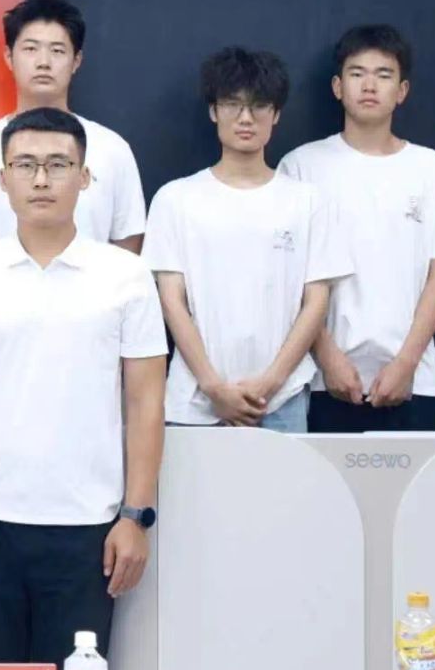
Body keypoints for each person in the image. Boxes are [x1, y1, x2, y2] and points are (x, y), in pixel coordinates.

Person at [0, 108, 166, 669]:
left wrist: (135, 515)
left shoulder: (125, 274)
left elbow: (145, 402)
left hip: (88, 523)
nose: (41, 179)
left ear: (84, 177)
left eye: (58, 165)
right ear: (2, 178)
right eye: (25, 165)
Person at [145, 49, 349, 432]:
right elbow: (172, 301)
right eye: (232, 105)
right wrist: (213, 386)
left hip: (283, 399)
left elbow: (316, 302)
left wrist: (269, 385)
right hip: (196, 401)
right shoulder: (175, 199)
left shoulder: (307, 201)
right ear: (213, 111)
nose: (245, 118)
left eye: (258, 106)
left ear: (276, 114)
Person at [279, 26, 435, 433]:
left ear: (402, 90)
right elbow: (288, 277)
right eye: (357, 73)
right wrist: (328, 358)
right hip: (321, 381)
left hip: (413, 380)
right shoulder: (301, 166)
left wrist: (405, 364)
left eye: (383, 75)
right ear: (337, 86)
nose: (369, 85)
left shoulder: (430, 169)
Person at [0, 0, 145, 251]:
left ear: (76, 61)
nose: (44, 63)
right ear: (8, 56)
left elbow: (127, 247)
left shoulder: (113, 149)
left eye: (57, 51)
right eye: (31, 49)